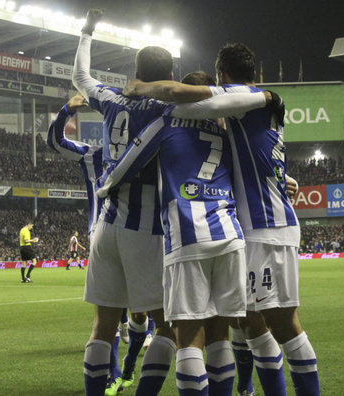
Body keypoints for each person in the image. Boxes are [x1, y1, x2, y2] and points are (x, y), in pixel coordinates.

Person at [74, 9, 277, 396]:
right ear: (168, 76)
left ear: (136, 70)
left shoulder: (113, 99)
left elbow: (82, 78)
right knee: (174, 328)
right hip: (154, 231)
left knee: (102, 326)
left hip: (108, 223)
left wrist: (87, 32)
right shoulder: (169, 109)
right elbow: (220, 120)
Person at [124, 43, 318, 396]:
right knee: (249, 323)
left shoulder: (245, 98)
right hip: (258, 227)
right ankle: (246, 387)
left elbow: (178, 93)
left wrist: (139, 88)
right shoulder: (237, 124)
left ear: (223, 76)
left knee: (270, 324)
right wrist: (282, 179)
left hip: (262, 229)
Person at [96, 82, 247, 396]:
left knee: (189, 337)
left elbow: (129, 163)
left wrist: (104, 187)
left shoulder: (167, 122)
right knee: (220, 336)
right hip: (230, 235)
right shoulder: (225, 135)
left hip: (188, 235)